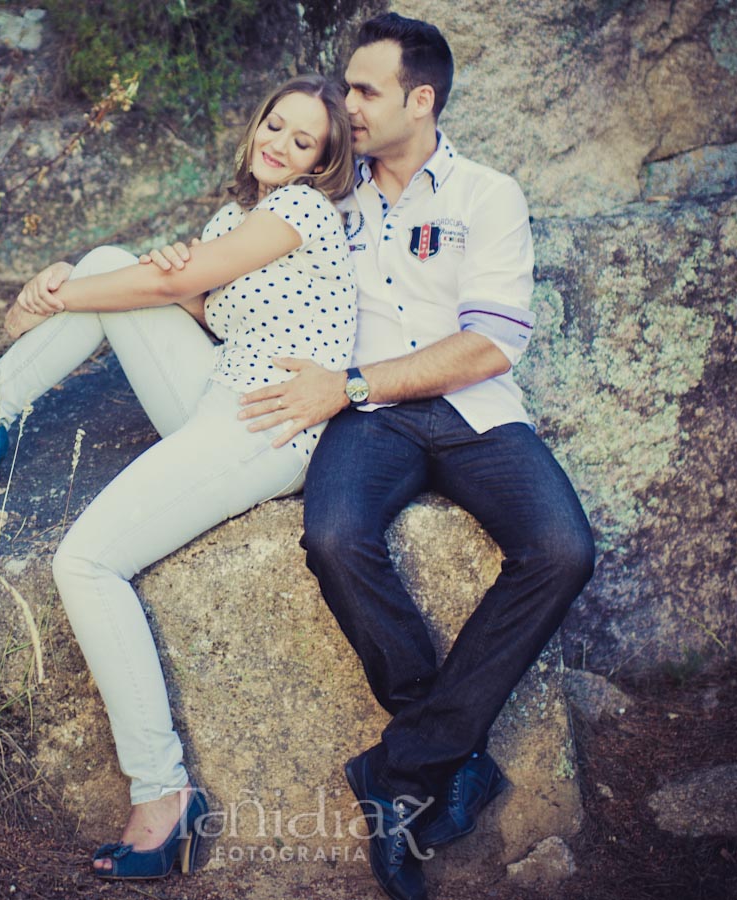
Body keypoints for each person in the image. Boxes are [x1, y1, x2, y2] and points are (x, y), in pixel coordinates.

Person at [0, 74, 356, 881]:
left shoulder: (302, 210)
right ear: (256, 127)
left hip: (267, 422)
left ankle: (164, 795)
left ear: (321, 164)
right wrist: (128, 280)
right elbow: (192, 304)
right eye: (274, 125)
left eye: (302, 140)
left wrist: (56, 295)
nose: (278, 143)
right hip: (213, 390)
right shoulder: (234, 219)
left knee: (86, 562)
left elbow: (168, 288)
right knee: (111, 261)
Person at [233, 14, 596, 900]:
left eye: (364, 91)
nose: (344, 105)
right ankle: (451, 751)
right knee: (335, 536)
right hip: (370, 423)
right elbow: (246, 284)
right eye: (345, 88)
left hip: (469, 410)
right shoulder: (327, 198)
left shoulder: (486, 194)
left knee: (562, 550)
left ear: (419, 99)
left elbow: (490, 346)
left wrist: (351, 382)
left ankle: (399, 769)